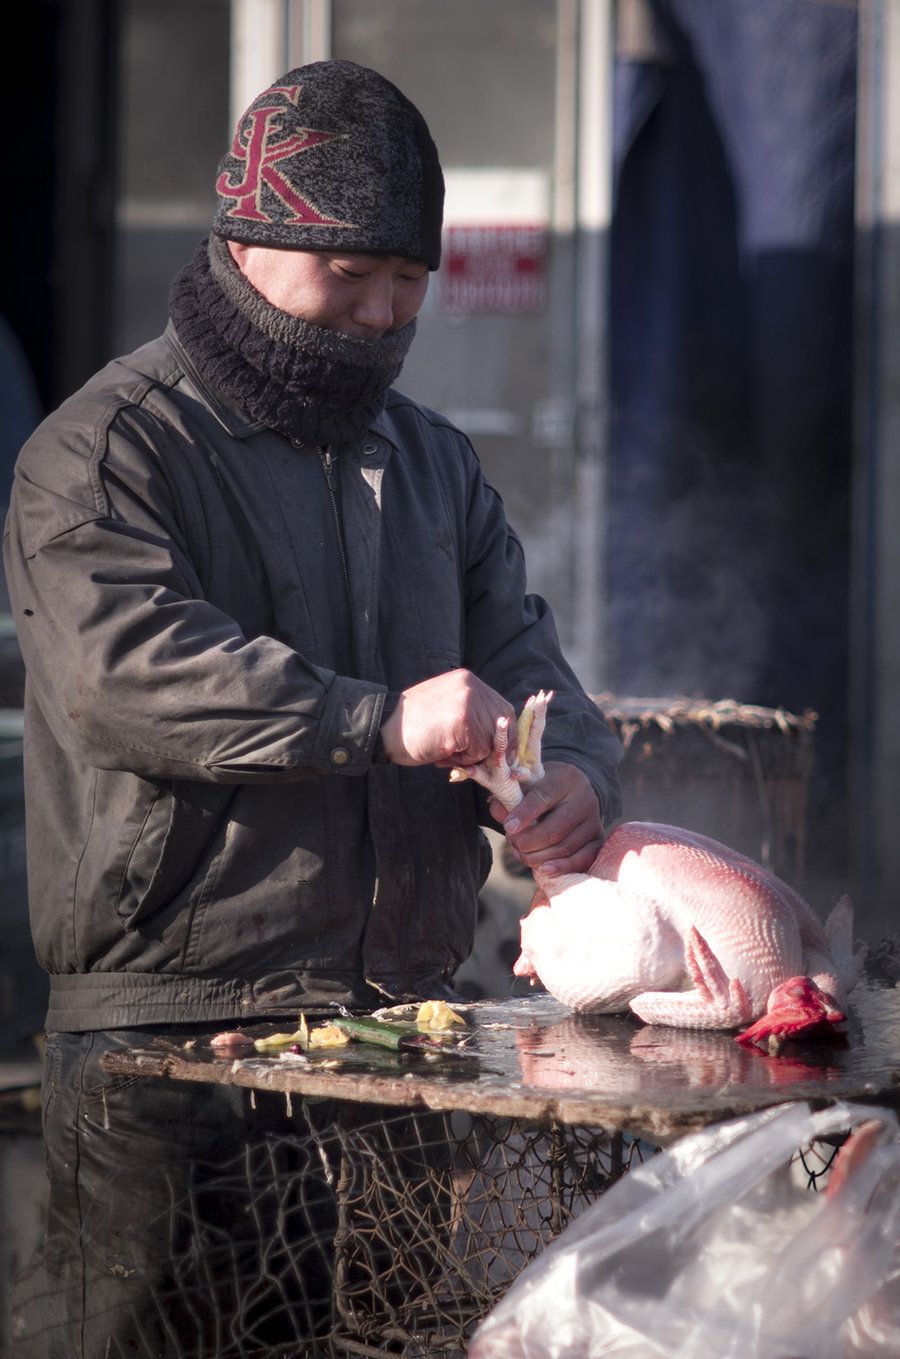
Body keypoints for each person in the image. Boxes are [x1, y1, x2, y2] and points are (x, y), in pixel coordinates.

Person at [4, 59, 623, 1357]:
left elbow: (536, 672)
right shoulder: (106, 447)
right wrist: (379, 722)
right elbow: (124, 677)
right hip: (167, 1045)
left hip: (397, 1038)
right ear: (244, 241)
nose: (381, 318)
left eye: (408, 285)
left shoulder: (436, 466)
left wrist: (570, 772)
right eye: (350, 278)